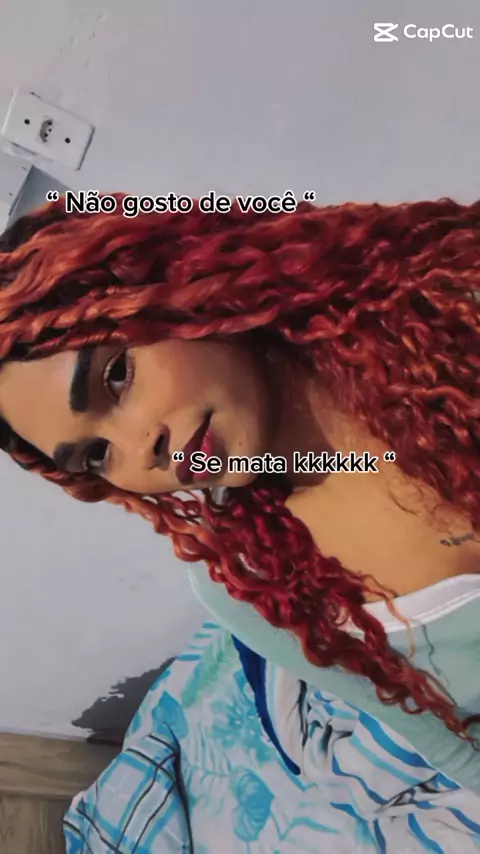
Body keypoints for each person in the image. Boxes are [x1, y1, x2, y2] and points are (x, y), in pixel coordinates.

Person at [0, 194, 479, 847]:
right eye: (96, 455)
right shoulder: (246, 583)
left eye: (116, 376)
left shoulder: (451, 307)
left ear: (179, 287)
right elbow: (449, 744)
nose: (141, 447)